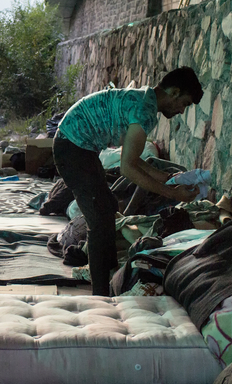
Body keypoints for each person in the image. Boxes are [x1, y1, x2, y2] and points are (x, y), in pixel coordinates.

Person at [53, 67, 204, 297]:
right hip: (72, 147)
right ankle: (101, 296)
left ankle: (112, 277)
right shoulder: (144, 111)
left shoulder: (144, 99)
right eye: (184, 103)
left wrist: (168, 179)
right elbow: (128, 168)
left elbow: (131, 158)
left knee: (108, 208)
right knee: (100, 222)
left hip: (80, 147)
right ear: (174, 92)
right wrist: (172, 194)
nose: (182, 111)